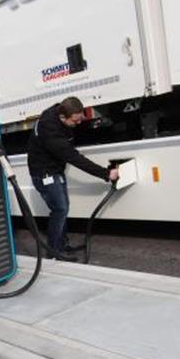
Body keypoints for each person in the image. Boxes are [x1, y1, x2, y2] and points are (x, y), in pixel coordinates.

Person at [27, 97, 119, 260]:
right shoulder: (50, 131)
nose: (78, 124)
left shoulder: (60, 113)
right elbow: (74, 158)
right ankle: (54, 251)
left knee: (63, 208)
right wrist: (106, 173)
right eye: (75, 121)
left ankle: (62, 244)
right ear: (63, 117)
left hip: (54, 170)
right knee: (60, 209)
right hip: (44, 174)